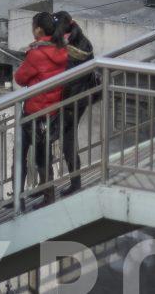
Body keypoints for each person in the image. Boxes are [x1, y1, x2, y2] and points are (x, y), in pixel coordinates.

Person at [14, 11, 68, 206]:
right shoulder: (61, 48)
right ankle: (48, 194)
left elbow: (20, 78)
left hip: (34, 111)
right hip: (51, 111)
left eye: (33, 26)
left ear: (38, 29)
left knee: (20, 153)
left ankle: (18, 199)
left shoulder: (36, 54)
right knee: (43, 155)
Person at [53, 11, 96, 193]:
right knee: (65, 139)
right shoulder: (83, 41)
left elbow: (64, 76)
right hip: (81, 97)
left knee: (65, 140)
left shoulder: (68, 50)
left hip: (71, 100)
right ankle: (71, 182)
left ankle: (72, 183)